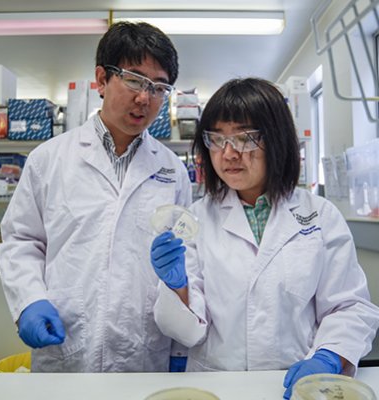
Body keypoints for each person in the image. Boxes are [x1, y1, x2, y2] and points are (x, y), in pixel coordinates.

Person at [150, 78, 379, 398]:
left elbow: (350, 306)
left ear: (278, 140)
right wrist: (178, 287)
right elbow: (188, 332)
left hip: (296, 382)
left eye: (245, 138)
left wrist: (329, 355)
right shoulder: (196, 219)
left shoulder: (320, 215)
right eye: (216, 139)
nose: (228, 153)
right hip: (217, 385)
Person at [0, 21, 192, 372]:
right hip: (66, 346)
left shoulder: (172, 170)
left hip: (144, 354)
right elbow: (22, 240)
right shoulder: (49, 158)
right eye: (134, 79)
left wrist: (179, 352)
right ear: (102, 79)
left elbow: (187, 260)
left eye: (159, 87)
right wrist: (29, 302)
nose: (145, 98)